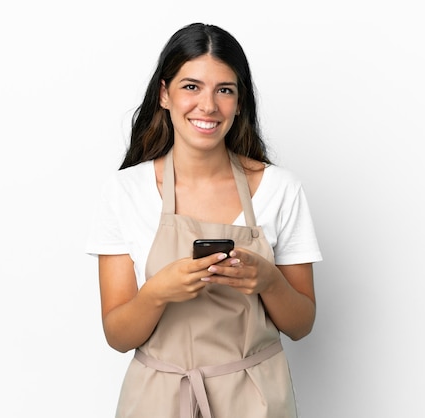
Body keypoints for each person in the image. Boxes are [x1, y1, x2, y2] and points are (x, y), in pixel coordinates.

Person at [86, 22, 322, 418]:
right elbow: (118, 335)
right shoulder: (124, 191)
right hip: (158, 399)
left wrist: (267, 280)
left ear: (240, 102)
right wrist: (158, 291)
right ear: (164, 94)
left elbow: (301, 325)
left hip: (257, 399)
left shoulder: (280, 189)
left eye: (224, 90)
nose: (208, 106)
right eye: (191, 87)